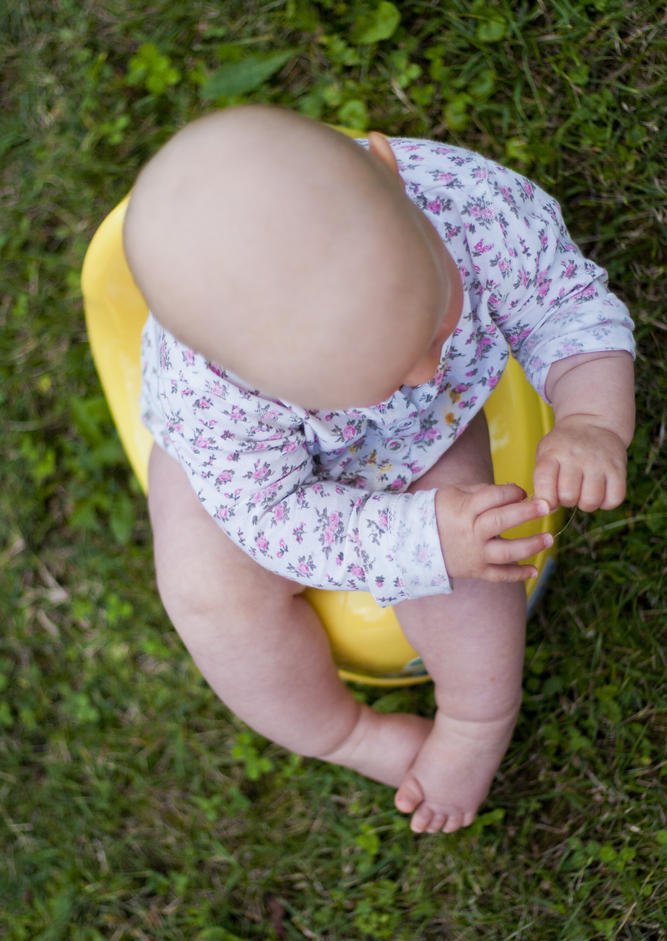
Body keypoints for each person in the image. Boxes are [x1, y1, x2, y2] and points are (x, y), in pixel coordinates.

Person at [123, 105, 635, 834]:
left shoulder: (469, 206)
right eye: (388, 374)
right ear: (242, 372)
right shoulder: (213, 401)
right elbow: (269, 516)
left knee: (475, 553)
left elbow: (564, 301)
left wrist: (589, 417)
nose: (431, 368)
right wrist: (413, 539)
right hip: (260, 484)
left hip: (423, 437)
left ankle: (475, 719)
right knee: (208, 595)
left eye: (434, 325)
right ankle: (347, 735)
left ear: (388, 174)